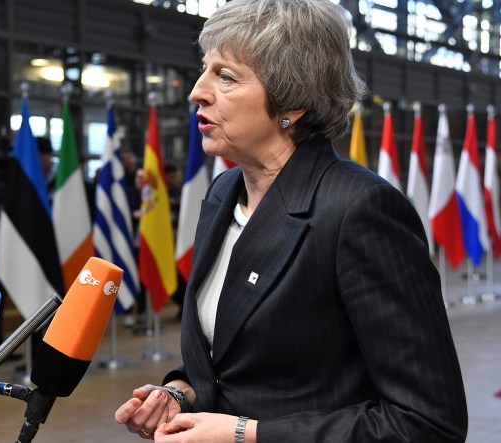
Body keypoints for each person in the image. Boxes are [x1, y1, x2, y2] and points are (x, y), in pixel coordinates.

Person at [115, 1, 468, 442]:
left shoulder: (359, 210)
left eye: (226, 76)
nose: (197, 91)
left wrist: (249, 434)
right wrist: (182, 391)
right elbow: (239, 355)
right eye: (205, 69)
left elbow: (428, 424)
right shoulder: (224, 193)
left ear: (292, 102)